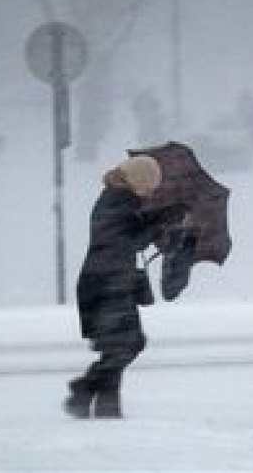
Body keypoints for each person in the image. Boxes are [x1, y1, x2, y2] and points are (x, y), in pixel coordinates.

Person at [64, 155, 164, 419]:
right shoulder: (116, 202)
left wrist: (157, 222)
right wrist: (154, 227)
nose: (153, 190)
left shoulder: (121, 201)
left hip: (111, 282)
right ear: (137, 180)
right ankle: (84, 388)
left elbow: (131, 236)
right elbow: (125, 241)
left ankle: (106, 409)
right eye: (150, 184)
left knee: (118, 347)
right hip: (105, 283)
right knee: (127, 345)